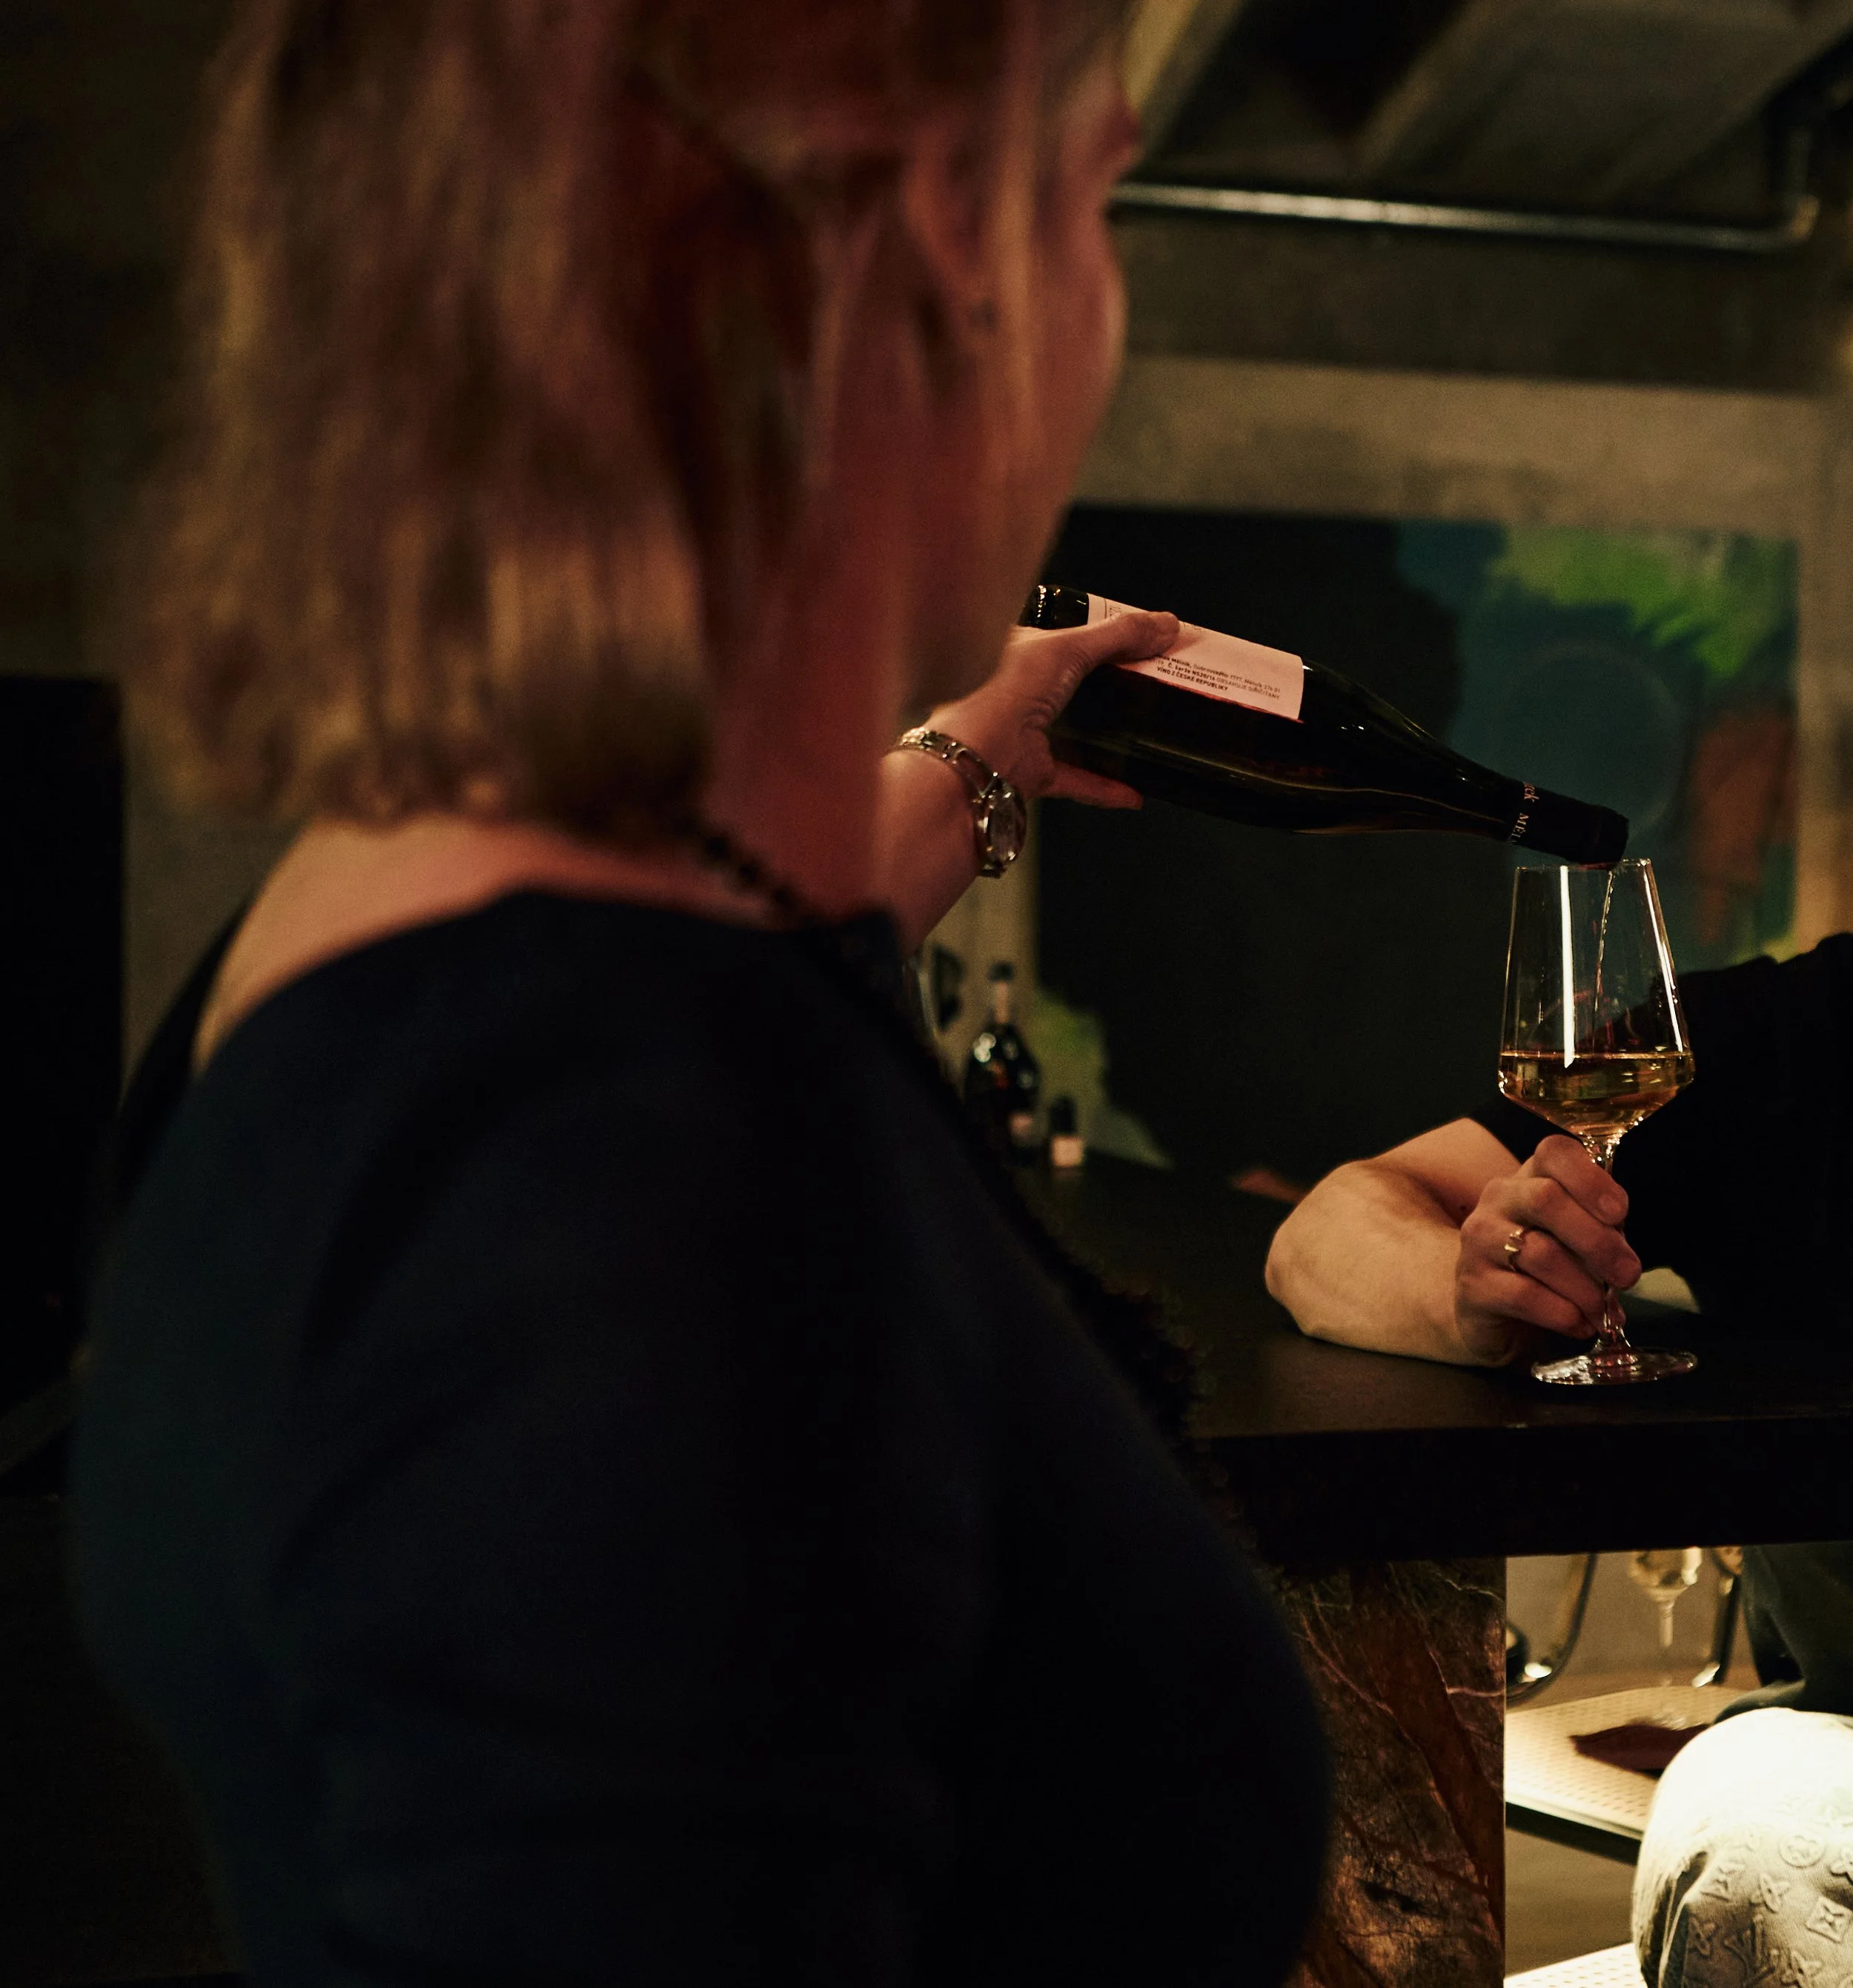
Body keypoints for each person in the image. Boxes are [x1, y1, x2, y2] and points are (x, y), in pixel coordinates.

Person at [70, 4, 1330, 1986]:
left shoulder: (379, 944)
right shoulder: (631, 1186)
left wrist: (963, 762)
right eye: (1089, 196)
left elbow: (742, 934)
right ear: (933, 243)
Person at [1264, 934, 1853, 1988]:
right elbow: (1329, 1225)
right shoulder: (1794, 1032)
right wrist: (1468, 1296)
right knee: (1757, 1848)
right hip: (1837, 1736)